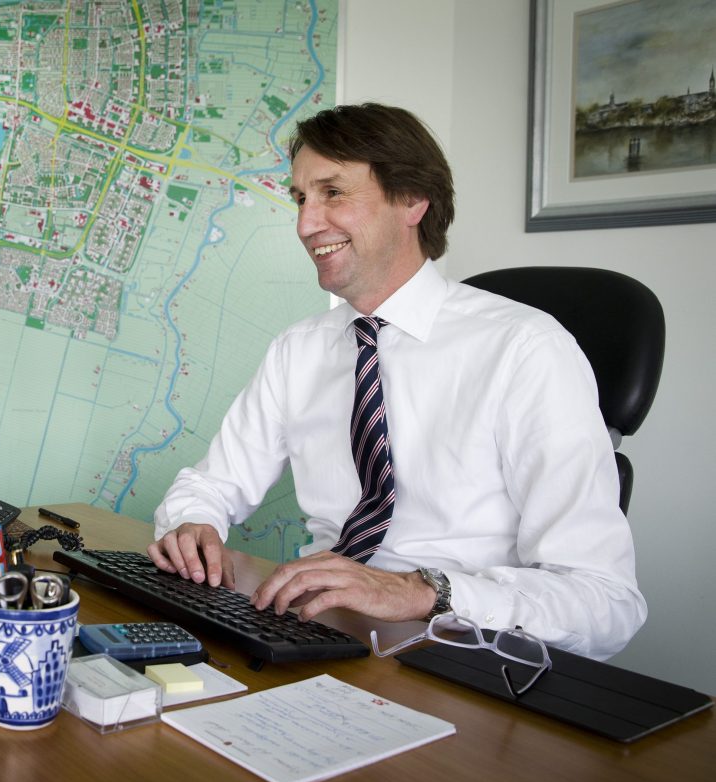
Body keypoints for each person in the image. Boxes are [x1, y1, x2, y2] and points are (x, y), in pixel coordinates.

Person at [147, 103, 646, 661]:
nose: (306, 224)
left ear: (412, 199)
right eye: (301, 198)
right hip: (322, 632)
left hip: (462, 651)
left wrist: (420, 592)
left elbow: (606, 603)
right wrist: (193, 523)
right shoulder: (299, 349)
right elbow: (213, 484)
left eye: (333, 193)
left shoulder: (525, 349)